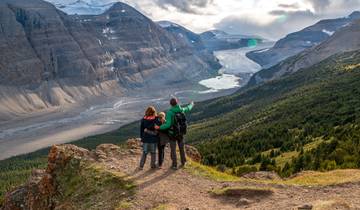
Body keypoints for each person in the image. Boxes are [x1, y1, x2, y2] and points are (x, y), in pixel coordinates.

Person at [156, 98, 194, 169]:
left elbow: (168, 124)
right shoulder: (181, 110)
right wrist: (191, 104)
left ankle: (174, 165)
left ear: (171, 104)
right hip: (181, 132)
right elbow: (188, 108)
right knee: (181, 148)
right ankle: (183, 162)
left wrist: (159, 127)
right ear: (177, 103)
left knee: (173, 149)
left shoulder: (169, 112)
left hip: (172, 133)